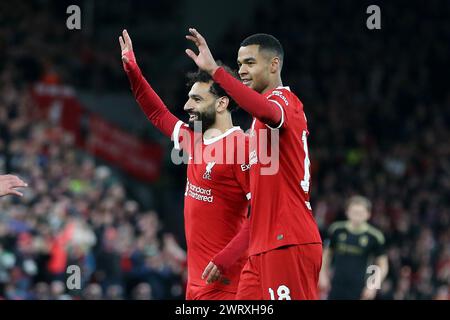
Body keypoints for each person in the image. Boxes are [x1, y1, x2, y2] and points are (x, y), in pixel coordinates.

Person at [185, 29, 322, 300]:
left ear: (274, 65)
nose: (242, 70)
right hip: (261, 246)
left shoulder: (284, 102)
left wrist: (216, 71)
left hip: (289, 238)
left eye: (250, 63)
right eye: (239, 65)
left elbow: (267, 111)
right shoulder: (256, 125)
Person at [119, 30, 250, 300]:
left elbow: (262, 217)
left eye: (197, 99)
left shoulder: (244, 148)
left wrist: (225, 259)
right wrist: (133, 70)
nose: (188, 105)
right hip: (195, 282)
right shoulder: (194, 140)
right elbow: (157, 113)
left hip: (227, 284)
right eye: (190, 97)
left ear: (223, 103)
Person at [319, 195, 389, 300]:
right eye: (354, 212)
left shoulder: (375, 236)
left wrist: (373, 286)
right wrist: (322, 275)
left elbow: (382, 265)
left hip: (360, 287)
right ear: (347, 212)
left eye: (360, 213)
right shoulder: (336, 230)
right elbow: (326, 255)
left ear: (368, 214)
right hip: (335, 284)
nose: (357, 216)